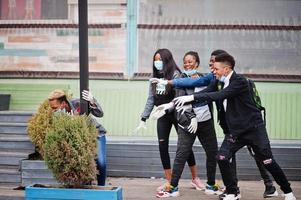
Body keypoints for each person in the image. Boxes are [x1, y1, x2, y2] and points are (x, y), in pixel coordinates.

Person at [152, 49, 277, 199]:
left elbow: (212, 95)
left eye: (214, 63)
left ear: (225, 67)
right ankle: (232, 188)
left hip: (246, 125)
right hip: (224, 126)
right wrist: (170, 89)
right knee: (222, 156)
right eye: (211, 63)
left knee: (257, 154)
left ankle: (270, 186)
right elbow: (194, 85)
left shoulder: (235, 81)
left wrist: (187, 96)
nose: (212, 65)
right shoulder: (213, 79)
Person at [134, 48, 204, 192]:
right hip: (162, 116)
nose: (157, 62)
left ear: (167, 60)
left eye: (160, 59)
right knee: (162, 146)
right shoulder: (153, 77)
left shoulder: (176, 75)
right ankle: (169, 181)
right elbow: (151, 98)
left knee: (185, 146)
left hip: (177, 113)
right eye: (155, 59)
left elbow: (178, 97)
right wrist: (143, 118)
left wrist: (168, 108)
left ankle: (195, 178)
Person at [154, 51, 221, 198]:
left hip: (205, 122)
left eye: (190, 61)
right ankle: (173, 187)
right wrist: (190, 116)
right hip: (187, 123)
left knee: (212, 152)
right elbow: (180, 101)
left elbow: (209, 96)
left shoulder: (206, 78)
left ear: (197, 63)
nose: (187, 64)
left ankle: (211, 184)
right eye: (185, 61)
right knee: (181, 154)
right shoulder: (182, 79)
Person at [48, 89, 107, 186]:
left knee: (101, 163)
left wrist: (92, 100)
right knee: (83, 164)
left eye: (55, 107)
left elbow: (100, 114)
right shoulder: (57, 116)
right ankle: (87, 187)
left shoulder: (77, 103)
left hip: (97, 134)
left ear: (63, 103)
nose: (53, 110)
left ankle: (102, 188)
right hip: (79, 140)